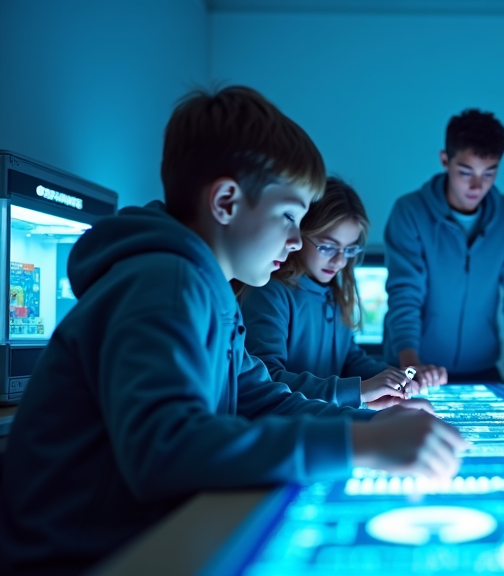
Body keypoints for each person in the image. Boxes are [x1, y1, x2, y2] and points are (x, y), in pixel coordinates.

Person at [0, 86, 467, 576]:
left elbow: (260, 396)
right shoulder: (165, 285)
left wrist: (369, 426)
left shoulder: (209, 289)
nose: (294, 240)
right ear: (225, 201)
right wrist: (360, 446)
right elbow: (167, 448)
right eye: (289, 217)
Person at [384, 109, 504, 384]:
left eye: (489, 173)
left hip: (481, 370)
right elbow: (405, 293)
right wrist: (411, 365)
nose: (476, 185)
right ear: (445, 160)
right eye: (465, 172)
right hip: (411, 367)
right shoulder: (410, 212)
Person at [240, 176, 432, 408]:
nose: (340, 260)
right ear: (299, 235)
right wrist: (359, 390)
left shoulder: (333, 293)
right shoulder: (270, 294)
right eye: (328, 247)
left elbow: (348, 359)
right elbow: (266, 380)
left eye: (349, 249)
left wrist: (397, 379)